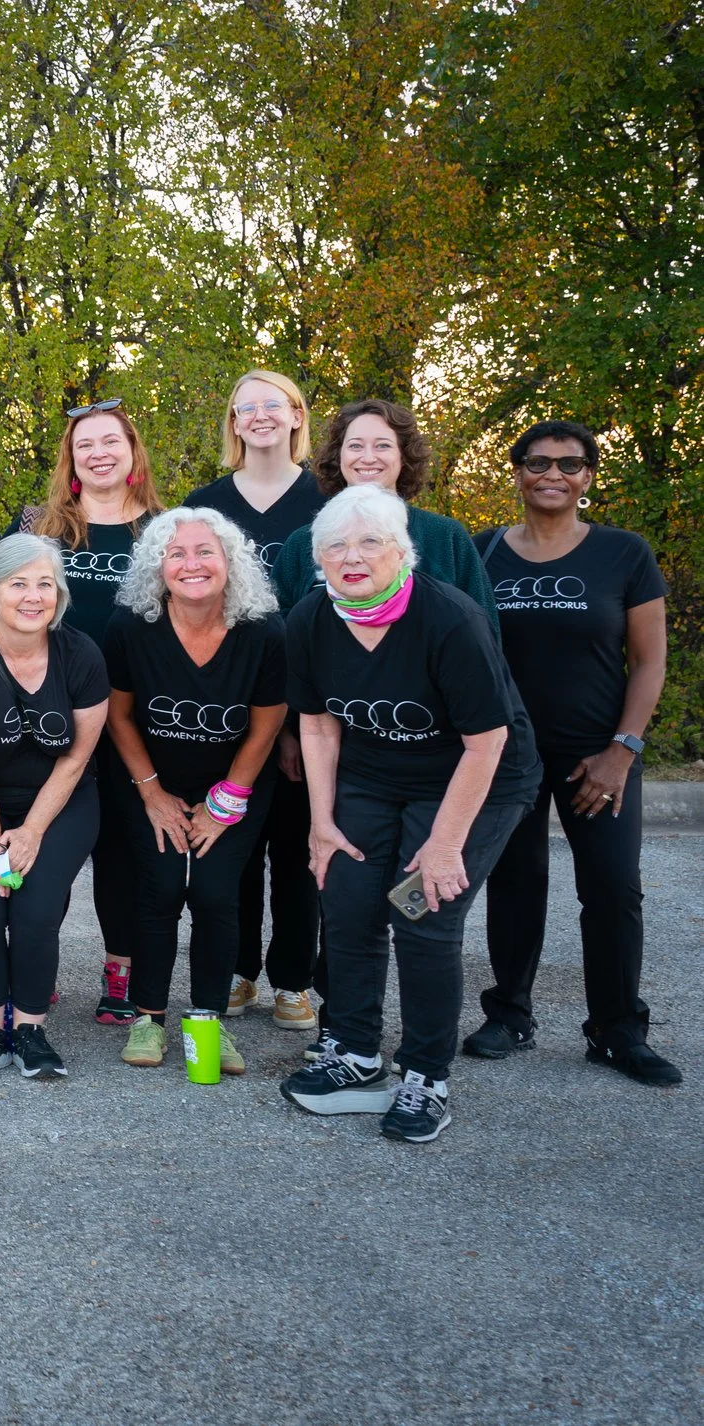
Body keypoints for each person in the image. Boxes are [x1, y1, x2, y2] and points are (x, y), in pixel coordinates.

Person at [278, 485, 540, 1142]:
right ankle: (357, 1050)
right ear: (319, 559)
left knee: (421, 913)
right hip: (372, 781)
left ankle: (426, 1075)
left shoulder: (449, 621)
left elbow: (486, 743)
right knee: (350, 903)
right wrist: (321, 823)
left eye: (370, 541)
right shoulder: (311, 619)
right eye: (336, 545)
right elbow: (316, 728)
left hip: (474, 782)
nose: (352, 556)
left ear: (402, 551)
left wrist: (447, 843)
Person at [469, 421, 677, 1085]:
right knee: (515, 882)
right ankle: (509, 1014)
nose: (552, 474)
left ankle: (616, 1030)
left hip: (600, 753)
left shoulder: (623, 553)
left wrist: (623, 749)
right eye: (537, 462)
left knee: (614, 887)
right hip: (508, 752)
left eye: (569, 463)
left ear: (588, 475)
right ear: (518, 472)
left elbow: (649, 662)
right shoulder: (484, 552)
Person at [100, 508, 287, 1074]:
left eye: (205, 551)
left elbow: (266, 726)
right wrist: (152, 794)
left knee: (213, 893)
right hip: (148, 778)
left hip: (235, 781)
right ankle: (148, 1021)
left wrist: (226, 801)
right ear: (158, 567)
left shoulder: (264, 629)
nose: (191, 564)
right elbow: (119, 716)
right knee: (158, 890)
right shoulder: (132, 625)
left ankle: (208, 1023)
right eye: (176, 554)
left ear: (229, 562)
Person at [0, 534, 108, 1080]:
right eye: (19, 584)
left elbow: (76, 759)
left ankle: (30, 1029)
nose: (34, 597)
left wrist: (30, 832)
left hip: (59, 799)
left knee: (34, 912)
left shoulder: (80, 653)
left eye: (45, 585)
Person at [182, 370, 326, 1029]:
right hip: (228, 707)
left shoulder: (331, 497)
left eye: (275, 404)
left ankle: (293, 978)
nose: (261, 416)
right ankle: (238, 970)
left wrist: (303, 720)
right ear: (234, 424)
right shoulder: (207, 503)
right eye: (247, 407)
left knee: (298, 851)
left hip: (312, 705)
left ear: (297, 417)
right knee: (232, 844)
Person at [19, 398, 162, 1024]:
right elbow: (3, 609)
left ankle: (119, 972)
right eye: (85, 446)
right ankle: (34, 967)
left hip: (138, 710)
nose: (99, 453)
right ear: (71, 461)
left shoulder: (166, 527)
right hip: (51, 709)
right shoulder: (37, 526)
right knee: (43, 841)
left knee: (126, 851)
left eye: (111, 442)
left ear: (132, 453)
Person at [274, 398, 497, 625]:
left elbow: (483, 630)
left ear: (404, 456)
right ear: (338, 456)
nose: (368, 457)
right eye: (355, 446)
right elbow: (278, 639)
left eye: (383, 445)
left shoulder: (445, 537)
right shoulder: (302, 543)